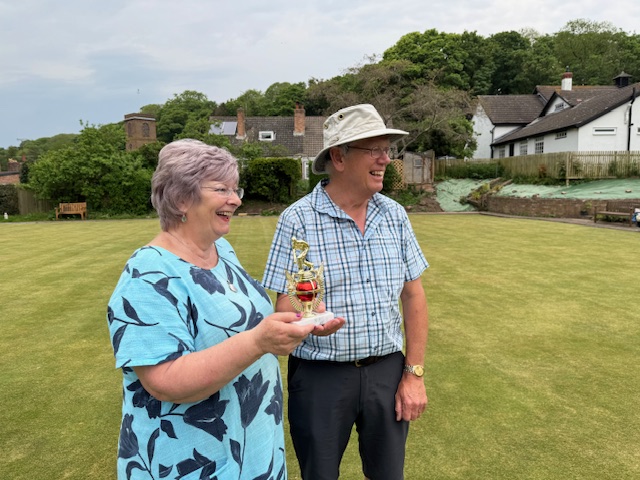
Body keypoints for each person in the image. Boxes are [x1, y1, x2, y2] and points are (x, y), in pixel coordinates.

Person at [106, 139, 317, 479]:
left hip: (253, 446)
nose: (235, 199)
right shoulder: (147, 276)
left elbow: (248, 320)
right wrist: (259, 342)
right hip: (193, 461)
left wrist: (304, 316)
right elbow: (164, 382)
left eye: (236, 189)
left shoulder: (222, 251)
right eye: (222, 189)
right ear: (180, 198)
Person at [262, 104, 430, 480]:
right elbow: (286, 306)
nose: (386, 159)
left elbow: (414, 296)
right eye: (374, 149)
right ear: (338, 156)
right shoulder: (298, 219)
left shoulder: (394, 215)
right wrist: (309, 323)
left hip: (387, 372)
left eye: (387, 149)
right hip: (320, 378)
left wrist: (414, 374)